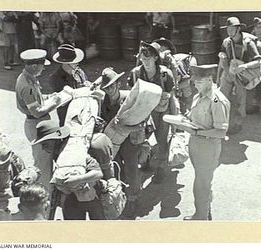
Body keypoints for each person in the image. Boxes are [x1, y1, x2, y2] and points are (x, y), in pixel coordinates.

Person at [176, 64, 230, 220]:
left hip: (208, 146)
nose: (195, 85)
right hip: (196, 144)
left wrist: (197, 132)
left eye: (199, 82)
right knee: (203, 181)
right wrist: (184, 120)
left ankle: (200, 216)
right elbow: (196, 117)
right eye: (194, 82)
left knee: (201, 184)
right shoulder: (198, 96)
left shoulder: (216, 100)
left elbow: (221, 131)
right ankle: (206, 209)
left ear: (209, 80)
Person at [32, 119, 107, 220]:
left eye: (45, 143)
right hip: (71, 200)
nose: (43, 147)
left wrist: (75, 180)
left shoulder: (74, 150)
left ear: (55, 139)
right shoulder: (57, 153)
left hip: (91, 197)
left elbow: (98, 173)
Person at [127, 41, 177, 183]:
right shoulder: (136, 74)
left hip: (161, 113)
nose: (145, 62)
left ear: (156, 58)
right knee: (141, 140)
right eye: (143, 59)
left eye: (148, 59)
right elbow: (130, 96)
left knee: (162, 140)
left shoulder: (165, 75)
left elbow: (172, 97)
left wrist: (174, 120)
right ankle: (146, 161)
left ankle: (161, 166)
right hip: (142, 113)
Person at [15, 49, 61, 190]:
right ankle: (43, 195)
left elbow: (37, 100)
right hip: (36, 125)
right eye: (42, 65)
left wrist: (48, 97)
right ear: (34, 66)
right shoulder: (26, 84)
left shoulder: (30, 78)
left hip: (39, 124)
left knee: (45, 160)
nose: (44, 67)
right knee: (43, 164)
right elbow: (36, 112)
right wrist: (54, 103)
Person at [99, 67, 142, 218]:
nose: (109, 89)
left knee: (131, 170)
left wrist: (127, 128)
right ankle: (121, 197)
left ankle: (134, 199)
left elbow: (142, 123)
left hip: (129, 141)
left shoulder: (128, 99)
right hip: (112, 142)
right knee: (116, 170)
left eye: (112, 85)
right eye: (106, 87)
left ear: (118, 84)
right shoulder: (102, 102)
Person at [218, 17, 261, 134]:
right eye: (227, 28)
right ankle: (222, 123)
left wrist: (243, 67)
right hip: (228, 72)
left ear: (238, 29)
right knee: (221, 98)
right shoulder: (226, 42)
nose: (229, 31)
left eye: (231, 28)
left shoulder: (248, 42)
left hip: (241, 75)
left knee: (239, 100)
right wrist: (219, 77)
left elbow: (258, 61)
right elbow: (222, 59)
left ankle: (238, 124)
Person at [50, 43, 89, 126]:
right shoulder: (56, 78)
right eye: (74, 62)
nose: (77, 63)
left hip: (82, 112)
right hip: (67, 116)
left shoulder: (79, 72)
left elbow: (85, 82)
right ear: (65, 63)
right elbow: (62, 100)